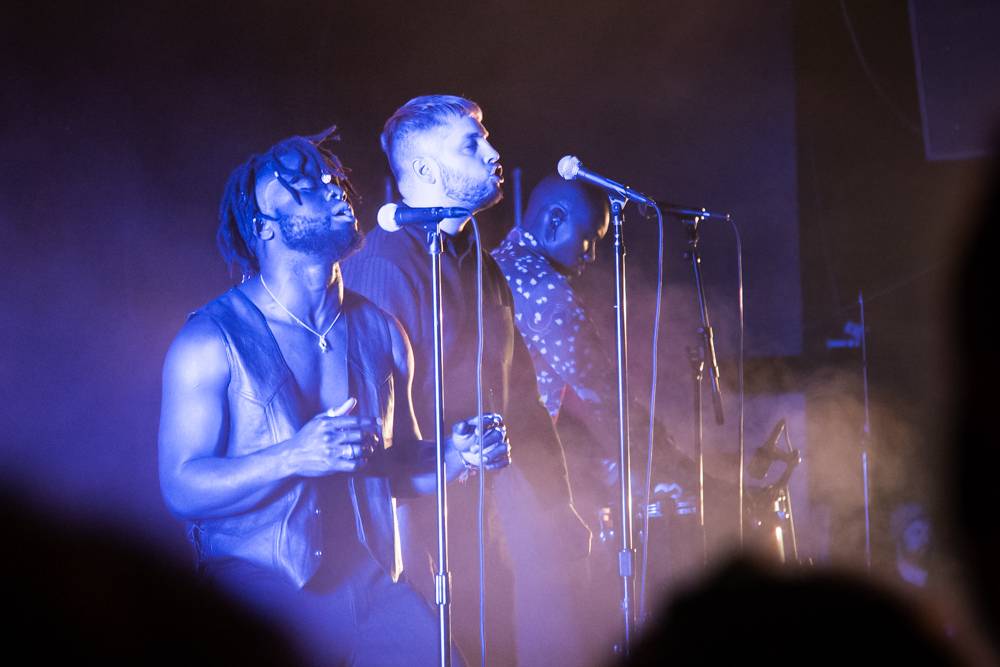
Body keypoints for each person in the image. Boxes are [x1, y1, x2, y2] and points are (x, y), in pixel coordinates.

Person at [157, 128, 509, 667]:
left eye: (331, 179)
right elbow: (182, 487)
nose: (331, 187)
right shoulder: (209, 340)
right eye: (303, 185)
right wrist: (293, 456)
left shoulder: (383, 331)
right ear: (263, 226)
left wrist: (456, 455)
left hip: (370, 584)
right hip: (256, 591)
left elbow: (397, 471)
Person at [343, 96, 591, 665]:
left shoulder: (481, 265)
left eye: (486, 138)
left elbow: (521, 398)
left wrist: (558, 504)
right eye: (471, 144)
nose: (493, 153)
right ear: (425, 170)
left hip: (478, 521)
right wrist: (410, 545)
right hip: (412, 529)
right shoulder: (385, 265)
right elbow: (373, 431)